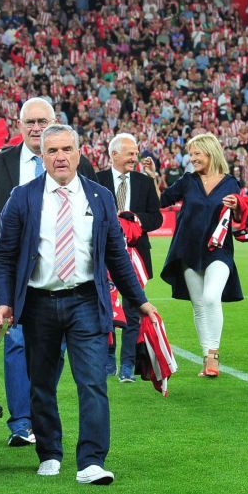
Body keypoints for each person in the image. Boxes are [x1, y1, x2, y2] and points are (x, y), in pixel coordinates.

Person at [0, 124, 156, 485]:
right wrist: (4, 301)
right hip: (38, 303)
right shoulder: (22, 197)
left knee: (93, 382)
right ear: (43, 157)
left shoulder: (99, 197)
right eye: (52, 151)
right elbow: (3, 256)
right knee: (42, 384)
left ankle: (92, 461)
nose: (60, 156)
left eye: (67, 149)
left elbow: (116, 253)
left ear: (79, 153)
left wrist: (139, 301)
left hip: (85, 300)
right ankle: (49, 452)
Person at [0, 97, 97, 447]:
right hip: (14, 271)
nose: (36, 128)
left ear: (54, 122)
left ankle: (37, 409)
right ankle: (21, 422)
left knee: (52, 349)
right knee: (16, 342)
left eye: (42, 121)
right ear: (19, 126)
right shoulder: (2, 164)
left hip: (61, 271)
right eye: (30, 122)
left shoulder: (79, 164)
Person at [159, 134, 243, 377]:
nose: (192, 158)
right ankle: (208, 357)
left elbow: (238, 218)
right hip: (188, 249)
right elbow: (163, 200)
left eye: (197, 153)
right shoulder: (187, 180)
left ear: (210, 152)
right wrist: (154, 177)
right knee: (198, 305)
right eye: (190, 153)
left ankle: (213, 353)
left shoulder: (230, 183)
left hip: (219, 249)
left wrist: (236, 207)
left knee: (210, 297)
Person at [96, 133, 163, 382]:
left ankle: (128, 364)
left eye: (135, 153)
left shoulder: (144, 183)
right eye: (130, 154)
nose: (135, 158)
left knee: (133, 309)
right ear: (114, 154)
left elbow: (156, 218)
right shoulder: (97, 179)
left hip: (136, 255)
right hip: (104, 254)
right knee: (106, 307)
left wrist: (134, 219)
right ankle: (108, 360)